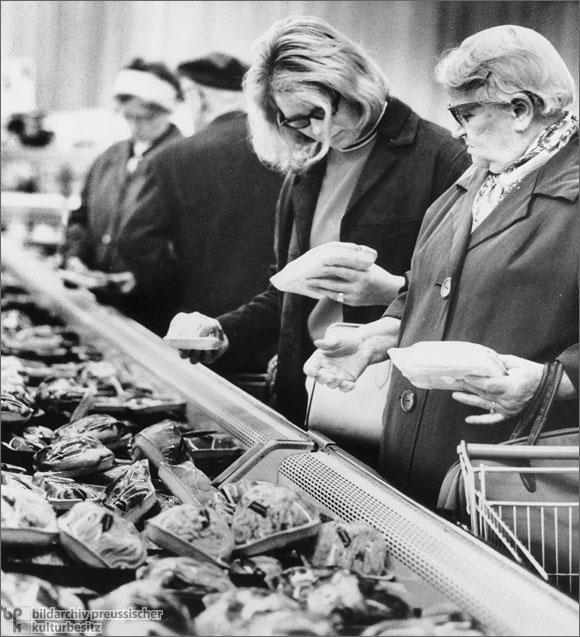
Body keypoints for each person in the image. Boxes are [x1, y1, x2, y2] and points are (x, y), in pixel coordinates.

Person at [303, 24, 578, 509]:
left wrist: (549, 383)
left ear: (521, 110)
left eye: (466, 113)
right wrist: (377, 336)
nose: (457, 128)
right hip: (421, 458)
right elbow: (434, 287)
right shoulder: (480, 178)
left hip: (513, 488)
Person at [167, 16, 470, 433]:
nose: (319, 129)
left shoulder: (440, 158)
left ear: (353, 83)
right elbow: (287, 295)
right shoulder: (307, 167)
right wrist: (222, 332)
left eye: (321, 111)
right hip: (304, 393)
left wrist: (393, 290)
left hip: (387, 405)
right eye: (297, 120)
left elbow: (464, 298)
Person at [117, 53, 283, 374]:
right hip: (271, 336)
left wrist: (174, 294)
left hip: (201, 338)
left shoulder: (173, 158)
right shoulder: (286, 153)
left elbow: (135, 240)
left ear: (200, 97)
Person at [61, 57, 183, 334]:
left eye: (145, 117)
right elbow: (80, 217)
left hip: (153, 314)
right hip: (103, 305)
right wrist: (75, 257)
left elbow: (190, 244)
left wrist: (141, 278)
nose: (136, 125)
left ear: (167, 111)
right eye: (129, 116)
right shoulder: (109, 158)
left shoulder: (182, 162)